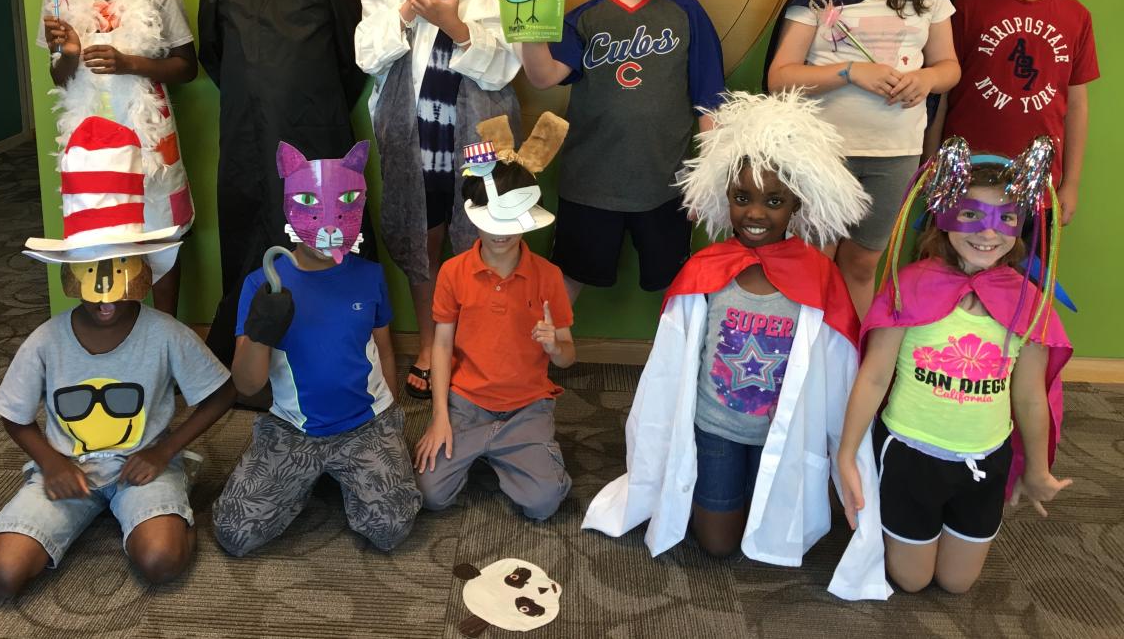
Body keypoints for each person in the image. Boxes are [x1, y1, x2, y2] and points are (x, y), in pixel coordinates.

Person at [582, 91, 890, 601]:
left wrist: (846, 451)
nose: (755, 213)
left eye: (774, 201)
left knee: (773, 528)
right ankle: (719, 486)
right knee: (719, 544)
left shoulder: (817, 276)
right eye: (742, 197)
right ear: (726, 198)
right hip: (717, 428)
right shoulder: (707, 269)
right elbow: (670, 365)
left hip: (779, 435)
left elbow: (838, 368)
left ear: (796, 204)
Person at [0, 116, 234, 598]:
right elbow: (13, 414)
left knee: (162, 561)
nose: (106, 294)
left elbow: (221, 393)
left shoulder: (166, 333)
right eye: (91, 269)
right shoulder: (45, 340)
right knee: (0, 577)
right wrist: (51, 462)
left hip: (143, 465)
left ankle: (171, 508)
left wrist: (164, 450)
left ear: (143, 268)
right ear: (70, 272)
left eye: (119, 268)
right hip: (67, 467)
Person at [837, 138, 1073, 594]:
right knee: (912, 580)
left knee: (957, 583)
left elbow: (1029, 396)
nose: (989, 233)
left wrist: (1037, 468)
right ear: (942, 217)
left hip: (984, 458)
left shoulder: (1026, 302)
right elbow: (875, 375)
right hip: (912, 455)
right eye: (970, 214)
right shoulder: (910, 287)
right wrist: (848, 454)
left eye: (1006, 218)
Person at [517, 0, 725, 303]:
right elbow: (544, 77)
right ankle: (546, 350)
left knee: (676, 285)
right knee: (568, 278)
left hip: (665, 184)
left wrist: (707, 178)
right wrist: (526, 27)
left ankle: (677, 353)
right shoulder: (583, 17)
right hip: (590, 183)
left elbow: (710, 100)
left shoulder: (686, 12)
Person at [355, 0, 519, 400]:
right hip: (415, 130)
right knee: (421, 238)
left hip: (481, 129)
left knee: (484, 239)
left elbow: (507, 68)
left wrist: (453, 23)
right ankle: (429, 344)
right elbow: (367, 56)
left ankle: (472, 346)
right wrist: (409, 9)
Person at [766, 0, 960, 318]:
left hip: (894, 153)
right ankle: (804, 353)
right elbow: (780, 78)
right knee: (813, 258)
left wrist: (926, 79)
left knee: (862, 262)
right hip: (823, 152)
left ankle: (851, 351)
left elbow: (949, 67)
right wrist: (851, 72)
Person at [193, 0, 367, 371]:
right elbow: (213, 55)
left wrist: (309, 106)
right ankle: (249, 356)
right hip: (245, 136)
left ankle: (330, 352)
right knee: (249, 227)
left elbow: (352, 61)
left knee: (320, 229)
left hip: (317, 133)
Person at [212, 140, 421, 555]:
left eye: (343, 203)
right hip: (293, 428)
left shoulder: (369, 275)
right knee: (234, 532)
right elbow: (247, 385)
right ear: (290, 205)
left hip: (365, 423)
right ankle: (306, 480)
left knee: (390, 528)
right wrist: (261, 330)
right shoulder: (262, 283)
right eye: (311, 203)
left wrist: (390, 419)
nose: (328, 223)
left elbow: (384, 347)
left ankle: (338, 473)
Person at [18, 0, 196, 316]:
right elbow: (59, 78)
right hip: (88, 136)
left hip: (148, 133)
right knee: (100, 233)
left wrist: (130, 63)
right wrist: (70, 53)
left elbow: (187, 67)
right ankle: (114, 334)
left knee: (162, 229)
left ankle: (165, 331)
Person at [414, 113, 575, 521]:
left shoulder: (548, 276)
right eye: (491, 218)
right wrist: (439, 417)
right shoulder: (453, 272)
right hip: (467, 403)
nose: (501, 232)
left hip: (527, 406)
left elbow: (567, 356)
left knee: (543, 503)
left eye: (511, 218)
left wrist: (555, 346)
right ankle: (489, 447)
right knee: (429, 493)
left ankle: (504, 448)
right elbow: (442, 345)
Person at [928, 0, 1095, 227]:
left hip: (1039, 184)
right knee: (949, 261)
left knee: (1027, 264)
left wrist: (1071, 183)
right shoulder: (966, 9)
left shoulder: (1076, 16)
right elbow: (942, 92)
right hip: (964, 177)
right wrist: (930, 164)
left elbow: (1077, 104)